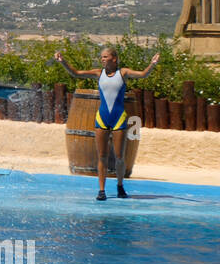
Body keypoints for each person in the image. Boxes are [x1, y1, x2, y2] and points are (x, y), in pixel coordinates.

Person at [55, 46, 159, 200]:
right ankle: (102, 190)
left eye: (105, 57)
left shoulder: (123, 73)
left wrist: (153, 64)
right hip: (102, 118)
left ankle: (120, 185)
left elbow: (143, 75)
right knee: (102, 156)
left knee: (119, 157)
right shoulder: (98, 73)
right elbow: (75, 73)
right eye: (101, 57)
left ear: (114, 59)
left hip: (119, 118)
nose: (102, 59)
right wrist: (63, 62)